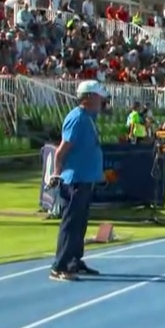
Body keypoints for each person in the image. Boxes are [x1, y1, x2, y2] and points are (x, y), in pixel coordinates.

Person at [46, 80, 107, 281]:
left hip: (86, 178)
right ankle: (60, 265)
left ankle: (74, 260)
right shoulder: (77, 118)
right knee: (71, 223)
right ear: (88, 97)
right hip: (75, 180)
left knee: (80, 223)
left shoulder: (88, 118)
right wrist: (56, 172)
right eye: (98, 96)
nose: (101, 100)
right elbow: (62, 149)